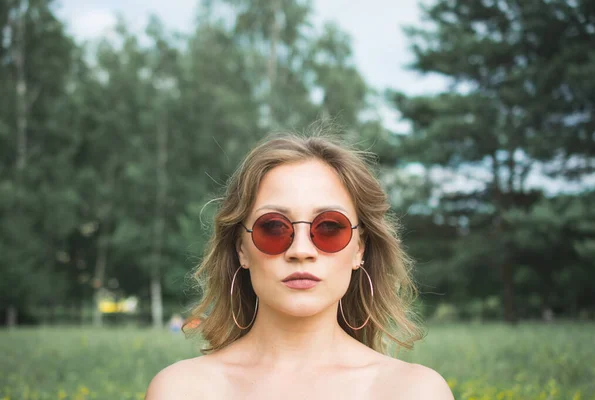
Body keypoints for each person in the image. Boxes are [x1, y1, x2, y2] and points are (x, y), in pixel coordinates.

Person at [145, 129, 454, 399]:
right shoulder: (180, 391)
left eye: (330, 227)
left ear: (359, 249)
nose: (301, 250)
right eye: (274, 227)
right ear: (241, 249)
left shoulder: (415, 392)